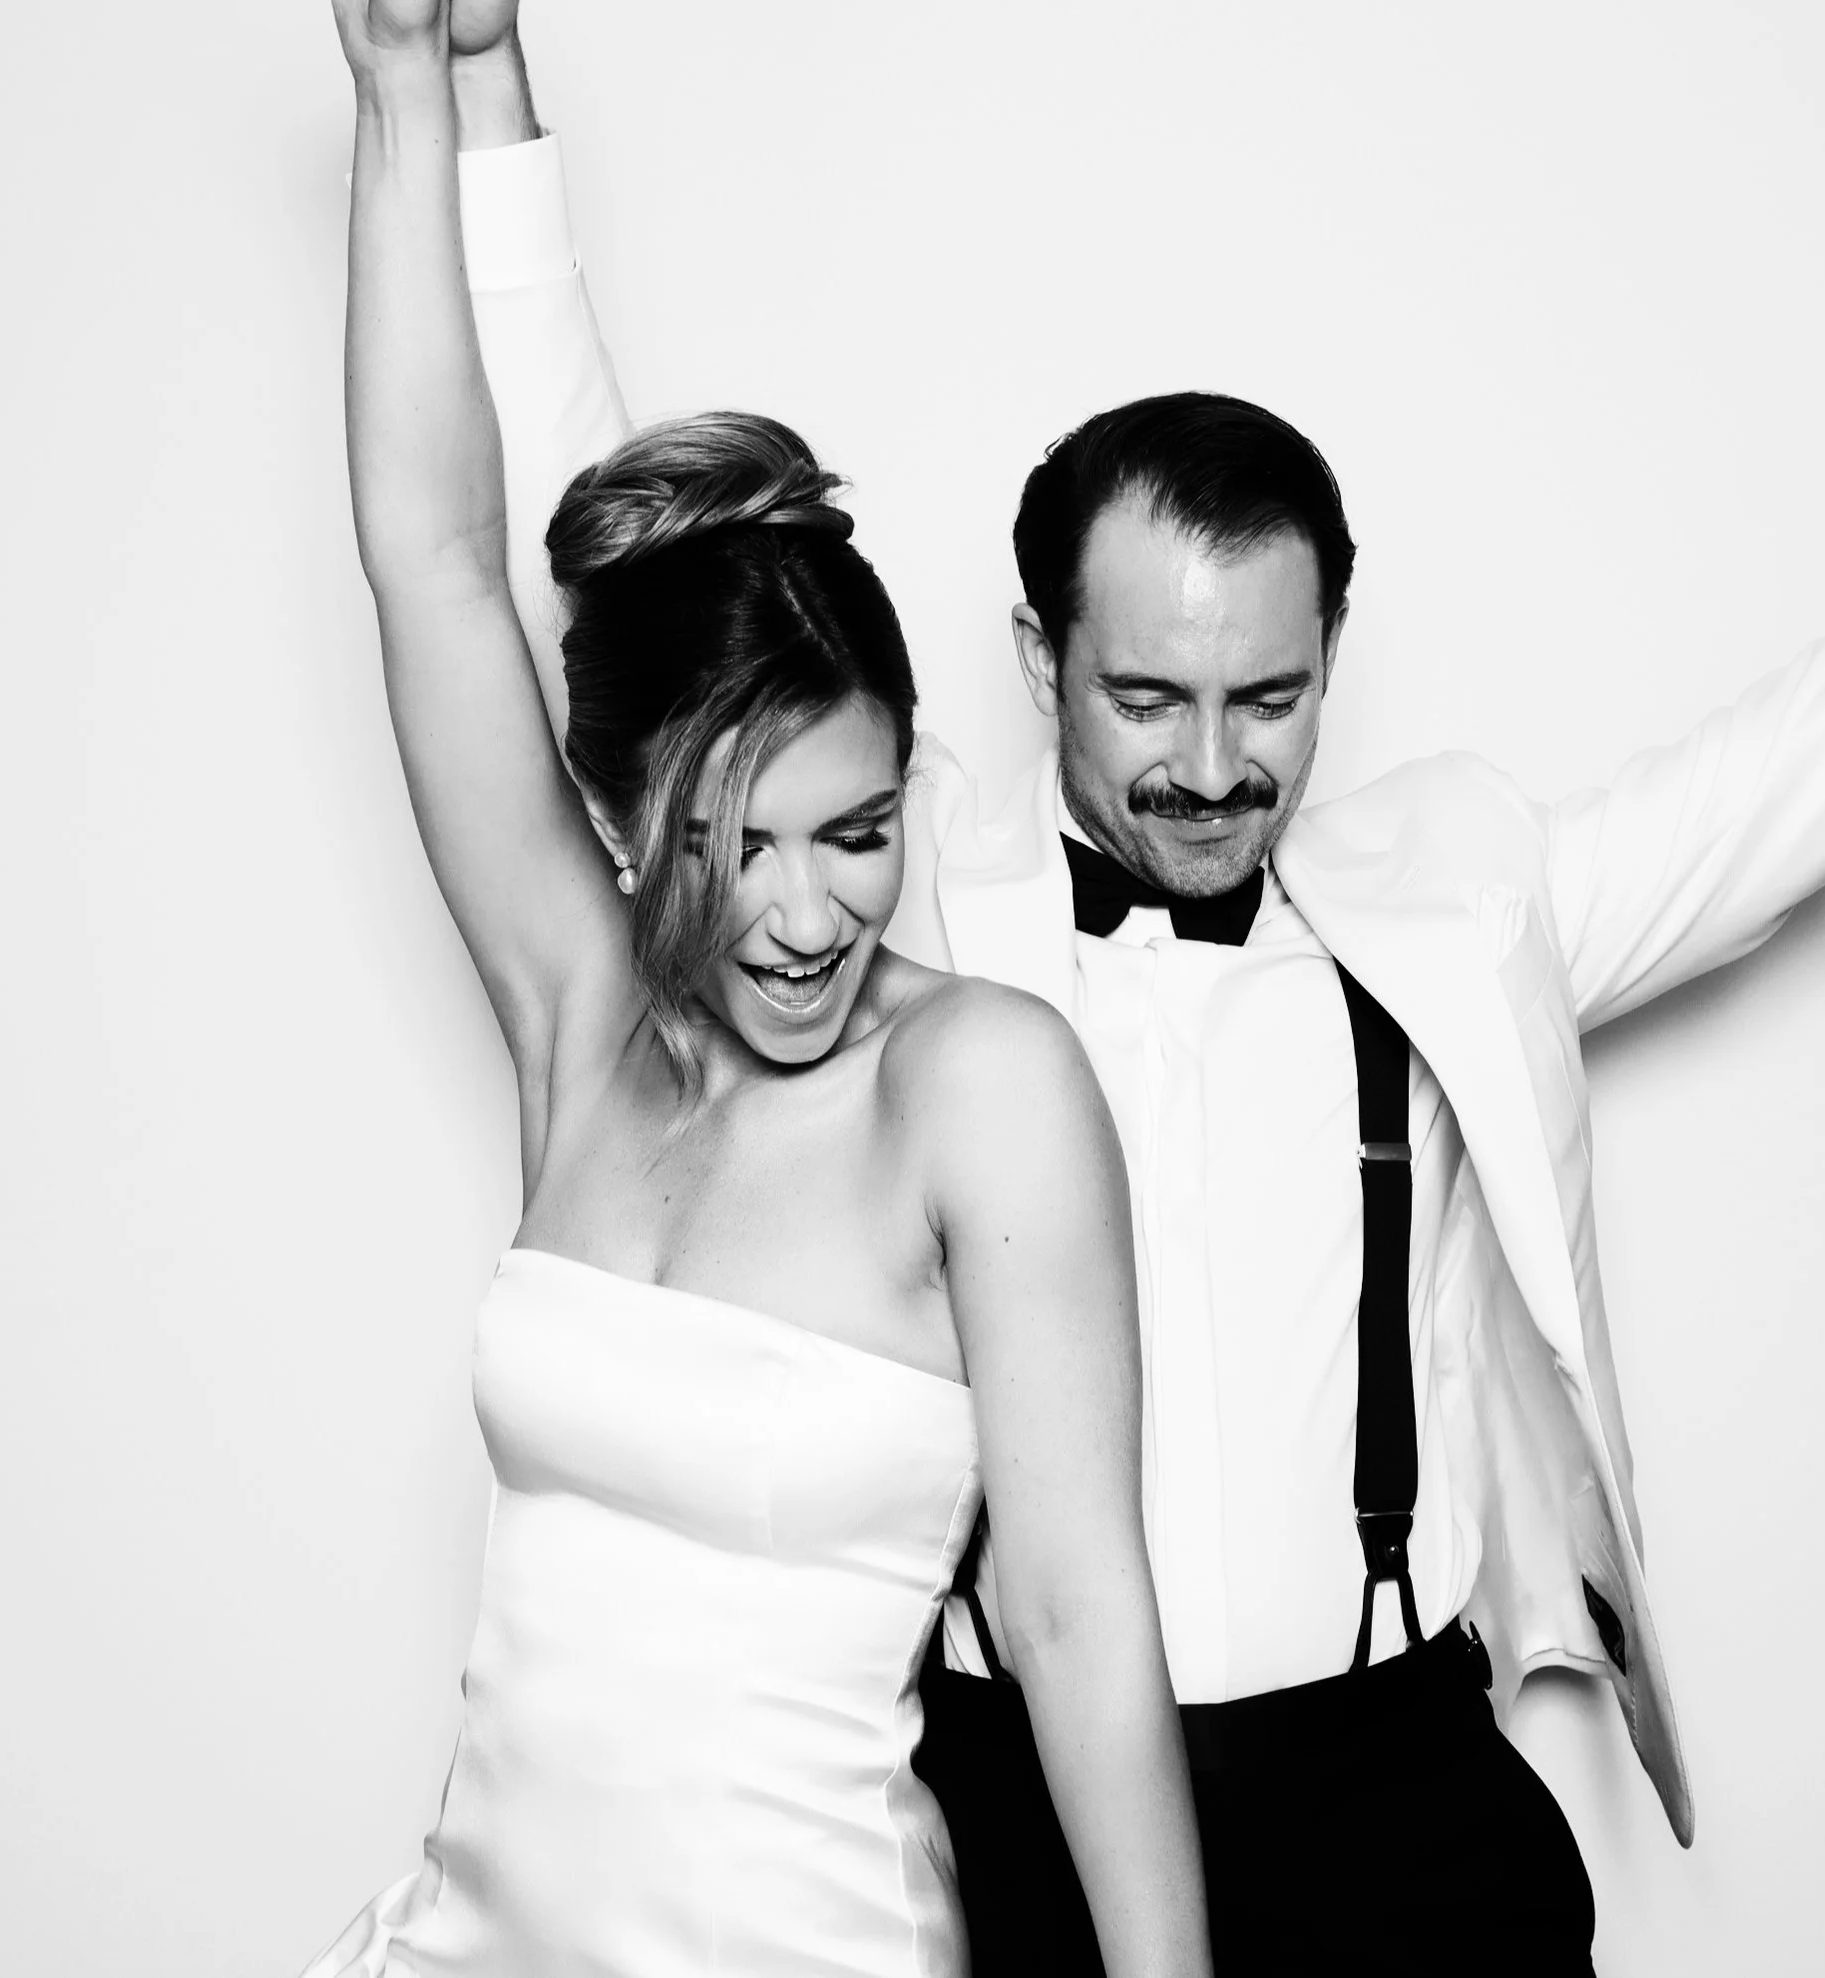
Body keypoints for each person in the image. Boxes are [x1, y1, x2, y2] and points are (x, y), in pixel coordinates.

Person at [448, 12, 1825, 1974]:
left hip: (1391, 1798)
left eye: (1267, 697)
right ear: (1033, 655)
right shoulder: (903, 908)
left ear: (1331, 649)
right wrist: (482, 95)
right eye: (1144, 697)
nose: (1207, 765)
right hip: (1012, 1799)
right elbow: (645, 584)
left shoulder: (1456, 907)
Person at [304, 4, 1214, 1975]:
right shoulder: (581, 1017)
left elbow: (1071, 1608)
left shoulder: (972, 1085)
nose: (808, 913)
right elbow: (432, 558)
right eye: (734, 845)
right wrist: (399, 79)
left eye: (859, 828)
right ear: (624, 821)